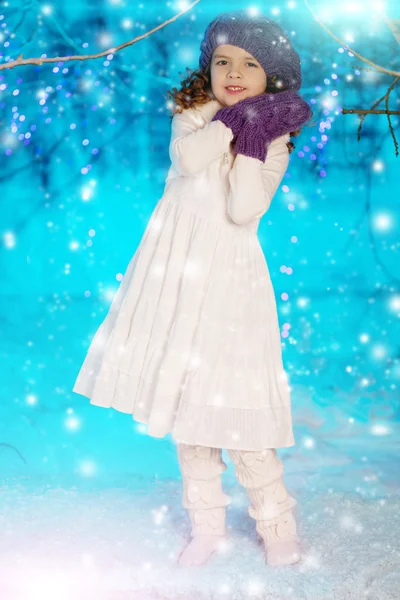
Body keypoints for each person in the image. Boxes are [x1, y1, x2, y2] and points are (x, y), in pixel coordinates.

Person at [72, 9, 312, 569]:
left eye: (249, 65)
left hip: (231, 285)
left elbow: (243, 207)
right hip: (177, 276)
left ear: (270, 78)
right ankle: (207, 526)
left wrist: (254, 136)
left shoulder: (274, 142)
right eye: (222, 61)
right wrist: (232, 122)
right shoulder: (194, 115)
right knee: (189, 410)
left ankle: (277, 524)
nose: (233, 72)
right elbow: (189, 158)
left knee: (240, 409)